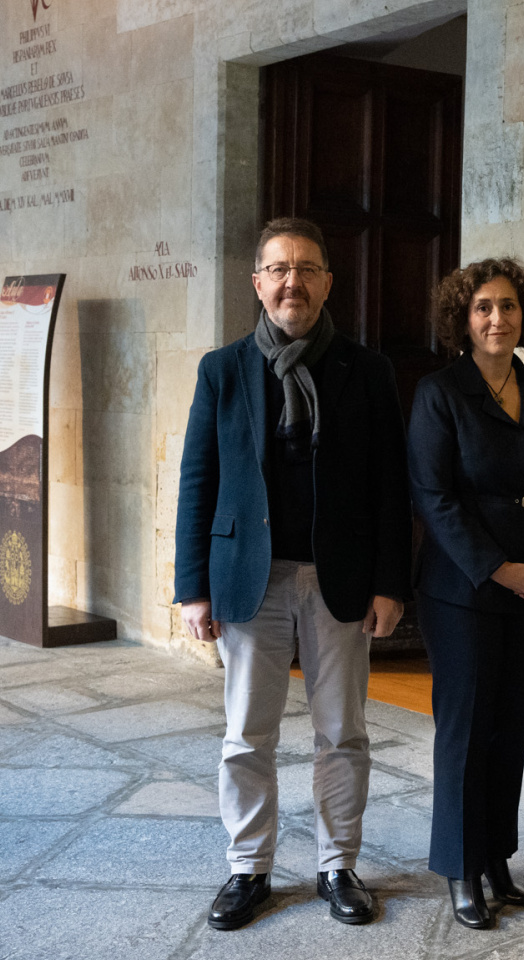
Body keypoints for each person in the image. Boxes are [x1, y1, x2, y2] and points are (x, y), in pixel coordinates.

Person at [175, 216, 410, 930]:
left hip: (339, 580)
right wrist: (192, 587)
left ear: (327, 282)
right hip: (252, 577)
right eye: (278, 268)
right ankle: (248, 869)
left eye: (307, 268)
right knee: (248, 734)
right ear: (257, 282)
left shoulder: (366, 371)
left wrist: (390, 582)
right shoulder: (223, 369)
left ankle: (338, 865)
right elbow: (198, 479)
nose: (292, 282)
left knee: (343, 733)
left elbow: (389, 486)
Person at [407, 257, 524, 930]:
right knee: (467, 731)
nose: (497, 319)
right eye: (483, 308)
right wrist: (498, 567)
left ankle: (496, 860)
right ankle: (459, 867)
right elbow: (434, 497)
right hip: (463, 591)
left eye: (508, 306)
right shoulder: (439, 393)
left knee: (509, 728)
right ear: (463, 317)